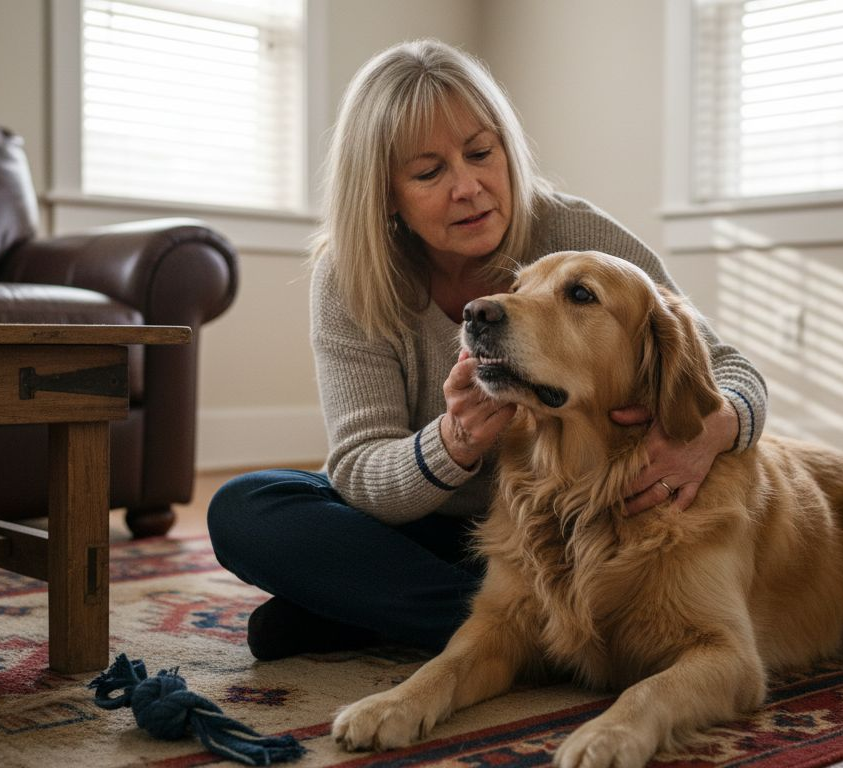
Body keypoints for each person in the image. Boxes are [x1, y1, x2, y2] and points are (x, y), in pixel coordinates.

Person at [207, 40, 768, 661]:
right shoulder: (350, 276)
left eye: (481, 153)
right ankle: (531, 629)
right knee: (245, 509)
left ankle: (423, 620)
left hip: (564, 526)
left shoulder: (577, 236)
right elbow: (359, 471)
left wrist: (710, 430)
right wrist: (453, 442)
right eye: (429, 173)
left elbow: (731, 371)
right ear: (385, 193)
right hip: (440, 533)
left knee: (293, 614)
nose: (470, 187)